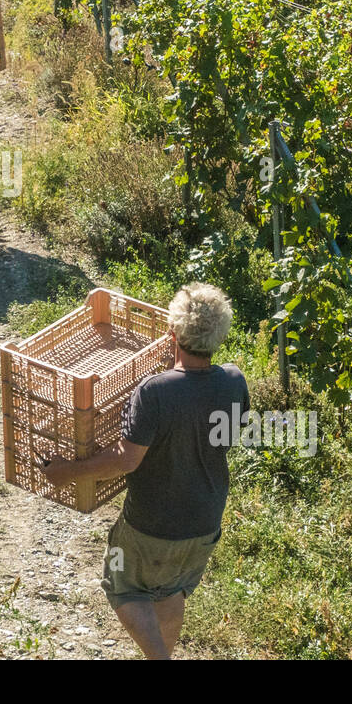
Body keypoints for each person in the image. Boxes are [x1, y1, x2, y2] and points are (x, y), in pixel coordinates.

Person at [40, 282, 249, 660]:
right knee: (169, 590)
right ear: (220, 334)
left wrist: (68, 471)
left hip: (151, 526)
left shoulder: (154, 391)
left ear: (172, 334)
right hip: (205, 522)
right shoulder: (233, 381)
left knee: (121, 582)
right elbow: (223, 435)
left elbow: (125, 460)